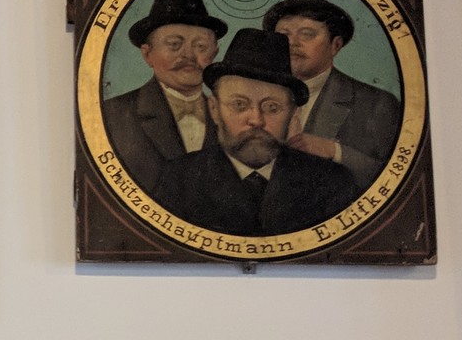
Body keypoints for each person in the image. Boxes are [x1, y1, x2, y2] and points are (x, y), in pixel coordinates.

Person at [150, 29, 355, 235]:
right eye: (239, 105)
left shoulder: (331, 182)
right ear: (214, 109)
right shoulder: (178, 180)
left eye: (272, 107)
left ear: (293, 114)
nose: (256, 120)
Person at [263, 0, 402, 198]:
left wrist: (333, 151)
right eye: (283, 35)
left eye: (307, 34)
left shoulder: (377, 103)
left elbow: (396, 177)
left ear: (335, 45)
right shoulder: (251, 95)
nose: (292, 42)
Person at [100, 0, 227, 191]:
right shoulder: (112, 114)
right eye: (174, 44)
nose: (188, 55)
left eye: (200, 46)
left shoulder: (229, 118)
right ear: (147, 54)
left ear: (215, 53)